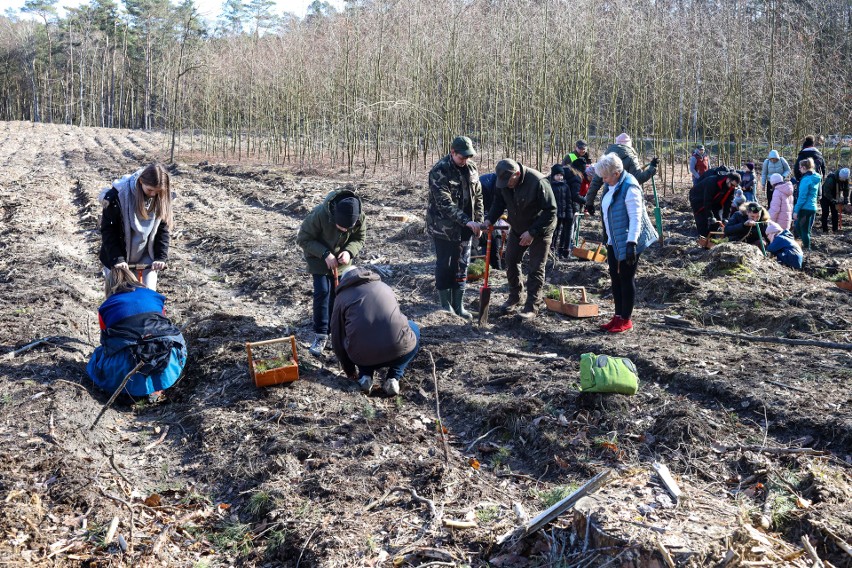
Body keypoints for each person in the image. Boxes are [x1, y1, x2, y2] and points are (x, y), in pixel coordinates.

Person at [86, 266, 186, 401]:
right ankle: (158, 387)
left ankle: (125, 391)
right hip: (168, 352)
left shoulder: (106, 307)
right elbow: (163, 323)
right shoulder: (154, 295)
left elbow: (106, 342)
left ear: (109, 285)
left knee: (98, 356)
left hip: (129, 359)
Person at [297, 188, 366, 356]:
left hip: (342, 262)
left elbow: (359, 239)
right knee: (323, 292)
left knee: (339, 296)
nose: (343, 231)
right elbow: (303, 239)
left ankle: (336, 332)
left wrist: (349, 252)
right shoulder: (320, 214)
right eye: (340, 227)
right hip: (319, 260)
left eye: (346, 228)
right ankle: (321, 334)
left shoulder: (359, 217)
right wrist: (325, 254)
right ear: (334, 215)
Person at [594, 153, 659, 334]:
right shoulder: (611, 185)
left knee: (626, 278)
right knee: (615, 278)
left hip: (629, 239)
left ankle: (626, 319)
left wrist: (631, 243)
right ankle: (617, 316)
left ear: (616, 173)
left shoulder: (630, 187)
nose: (604, 180)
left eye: (605, 176)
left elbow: (636, 218)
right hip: (614, 240)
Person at [485, 158, 557, 319]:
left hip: (540, 230)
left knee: (535, 267)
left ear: (517, 174)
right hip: (518, 227)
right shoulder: (504, 183)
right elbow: (498, 202)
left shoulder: (538, 182)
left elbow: (550, 211)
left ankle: (532, 306)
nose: (506, 185)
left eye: (508, 181)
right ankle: (515, 296)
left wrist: (532, 232)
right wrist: (489, 219)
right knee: (510, 260)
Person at [331, 267, 419, 396]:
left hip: (363, 357)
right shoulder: (384, 286)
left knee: (358, 336)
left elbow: (337, 338)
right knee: (413, 328)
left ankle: (365, 375)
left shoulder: (341, 298)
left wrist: (350, 371)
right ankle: (394, 377)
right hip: (397, 350)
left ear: (344, 280)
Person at [425, 136, 484, 320]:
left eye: (468, 157)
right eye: (461, 157)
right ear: (453, 152)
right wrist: (467, 220)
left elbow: (479, 197)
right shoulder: (440, 171)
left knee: (462, 265)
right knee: (445, 265)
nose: (465, 161)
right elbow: (444, 204)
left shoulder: (472, 169)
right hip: (444, 228)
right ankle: (445, 304)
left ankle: (459, 306)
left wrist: (479, 222)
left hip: (468, 227)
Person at [99, 163, 174, 291]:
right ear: (140, 182)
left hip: (146, 257)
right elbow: (108, 230)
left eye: (157, 192)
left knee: (148, 294)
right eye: (150, 190)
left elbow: (162, 231)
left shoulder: (161, 198)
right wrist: (117, 259)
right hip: (118, 256)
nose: (153, 194)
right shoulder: (117, 197)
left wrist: (160, 257)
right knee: (120, 297)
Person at [585, 133, 658, 217]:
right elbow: (638, 179)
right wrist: (652, 167)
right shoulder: (631, 157)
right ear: (629, 144)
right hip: (626, 197)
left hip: (608, 197)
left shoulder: (605, 158)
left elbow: (595, 182)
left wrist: (589, 203)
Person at [689, 169, 741, 237]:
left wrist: (725, 217)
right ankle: (703, 239)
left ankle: (711, 238)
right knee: (702, 221)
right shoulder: (712, 182)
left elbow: (728, 203)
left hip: (715, 201)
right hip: (698, 199)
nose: (733, 187)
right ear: (728, 179)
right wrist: (710, 216)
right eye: (732, 185)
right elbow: (707, 200)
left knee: (717, 222)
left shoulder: (731, 188)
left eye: (735, 186)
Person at [549, 164, 585, 258]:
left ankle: (563, 251)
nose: (559, 177)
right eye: (557, 175)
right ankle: (551, 249)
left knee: (565, 232)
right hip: (555, 213)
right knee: (555, 232)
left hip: (564, 212)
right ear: (553, 176)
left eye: (561, 175)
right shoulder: (551, 187)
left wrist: (569, 213)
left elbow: (568, 201)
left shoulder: (566, 186)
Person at [793, 157, 821, 250]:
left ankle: (807, 247)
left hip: (805, 207)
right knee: (800, 226)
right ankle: (806, 244)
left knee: (803, 229)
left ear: (804, 167)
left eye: (800, 167)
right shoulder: (815, 177)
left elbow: (802, 197)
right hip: (812, 207)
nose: (799, 169)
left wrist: (796, 210)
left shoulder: (806, 179)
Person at [478, 172, 504, 268]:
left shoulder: (503, 185)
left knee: (495, 244)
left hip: (490, 215)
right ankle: (485, 268)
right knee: (489, 240)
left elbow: (500, 205)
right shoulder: (483, 186)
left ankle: (496, 269)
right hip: (482, 216)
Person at [820, 168, 850, 233]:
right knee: (825, 212)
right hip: (825, 196)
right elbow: (826, 192)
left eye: (845, 179)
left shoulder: (845, 179)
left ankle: (835, 229)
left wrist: (845, 198)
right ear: (839, 176)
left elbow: (846, 189)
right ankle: (825, 230)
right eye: (842, 179)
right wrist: (832, 199)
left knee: (835, 212)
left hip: (835, 195)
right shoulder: (831, 179)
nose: (843, 180)